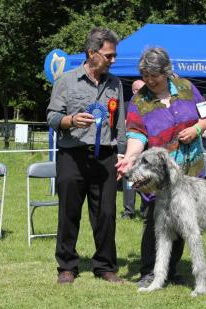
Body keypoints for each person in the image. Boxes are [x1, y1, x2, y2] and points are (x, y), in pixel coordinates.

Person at [115, 47, 206, 287]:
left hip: (189, 170)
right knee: (154, 221)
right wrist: (129, 158)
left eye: (154, 75)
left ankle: (171, 270)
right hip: (158, 175)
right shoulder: (139, 101)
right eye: (145, 75)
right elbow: (136, 136)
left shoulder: (187, 88)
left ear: (166, 71)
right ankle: (149, 271)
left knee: (182, 220)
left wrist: (197, 129)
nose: (149, 80)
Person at [46, 27, 126, 284]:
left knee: (106, 214)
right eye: (108, 55)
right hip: (72, 155)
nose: (113, 60)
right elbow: (51, 117)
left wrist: (123, 155)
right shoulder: (66, 81)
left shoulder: (116, 84)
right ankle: (67, 266)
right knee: (69, 213)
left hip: (106, 157)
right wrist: (70, 120)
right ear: (92, 53)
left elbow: (121, 125)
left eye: (114, 56)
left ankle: (105, 266)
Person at [121, 79, 147, 219]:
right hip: (131, 147)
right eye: (138, 90)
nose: (140, 92)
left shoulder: (150, 105)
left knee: (145, 179)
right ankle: (128, 211)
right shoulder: (126, 105)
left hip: (147, 148)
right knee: (129, 180)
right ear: (133, 91)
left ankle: (145, 210)